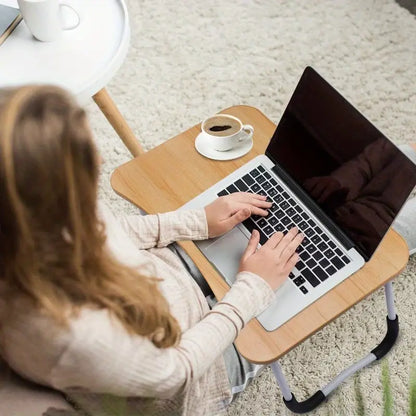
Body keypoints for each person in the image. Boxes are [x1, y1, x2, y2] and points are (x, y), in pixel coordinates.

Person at [0, 85, 304, 416]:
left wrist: (197, 221)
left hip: (163, 284)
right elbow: (179, 371)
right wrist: (251, 289)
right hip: (198, 375)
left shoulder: (34, 218)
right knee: (295, 293)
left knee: (258, 246)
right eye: (89, 156)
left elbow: (112, 230)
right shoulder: (76, 336)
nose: (101, 159)